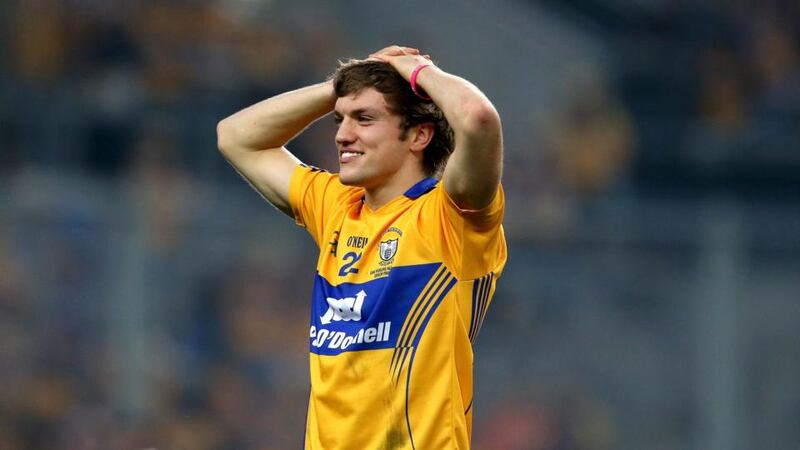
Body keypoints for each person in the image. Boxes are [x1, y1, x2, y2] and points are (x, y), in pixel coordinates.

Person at [217, 45, 507, 449]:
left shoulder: (451, 218)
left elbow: (477, 120)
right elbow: (235, 137)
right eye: (341, 118)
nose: (341, 135)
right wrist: (338, 88)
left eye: (365, 119)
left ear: (419, 135)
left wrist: (416, 70)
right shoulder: (337, 206)